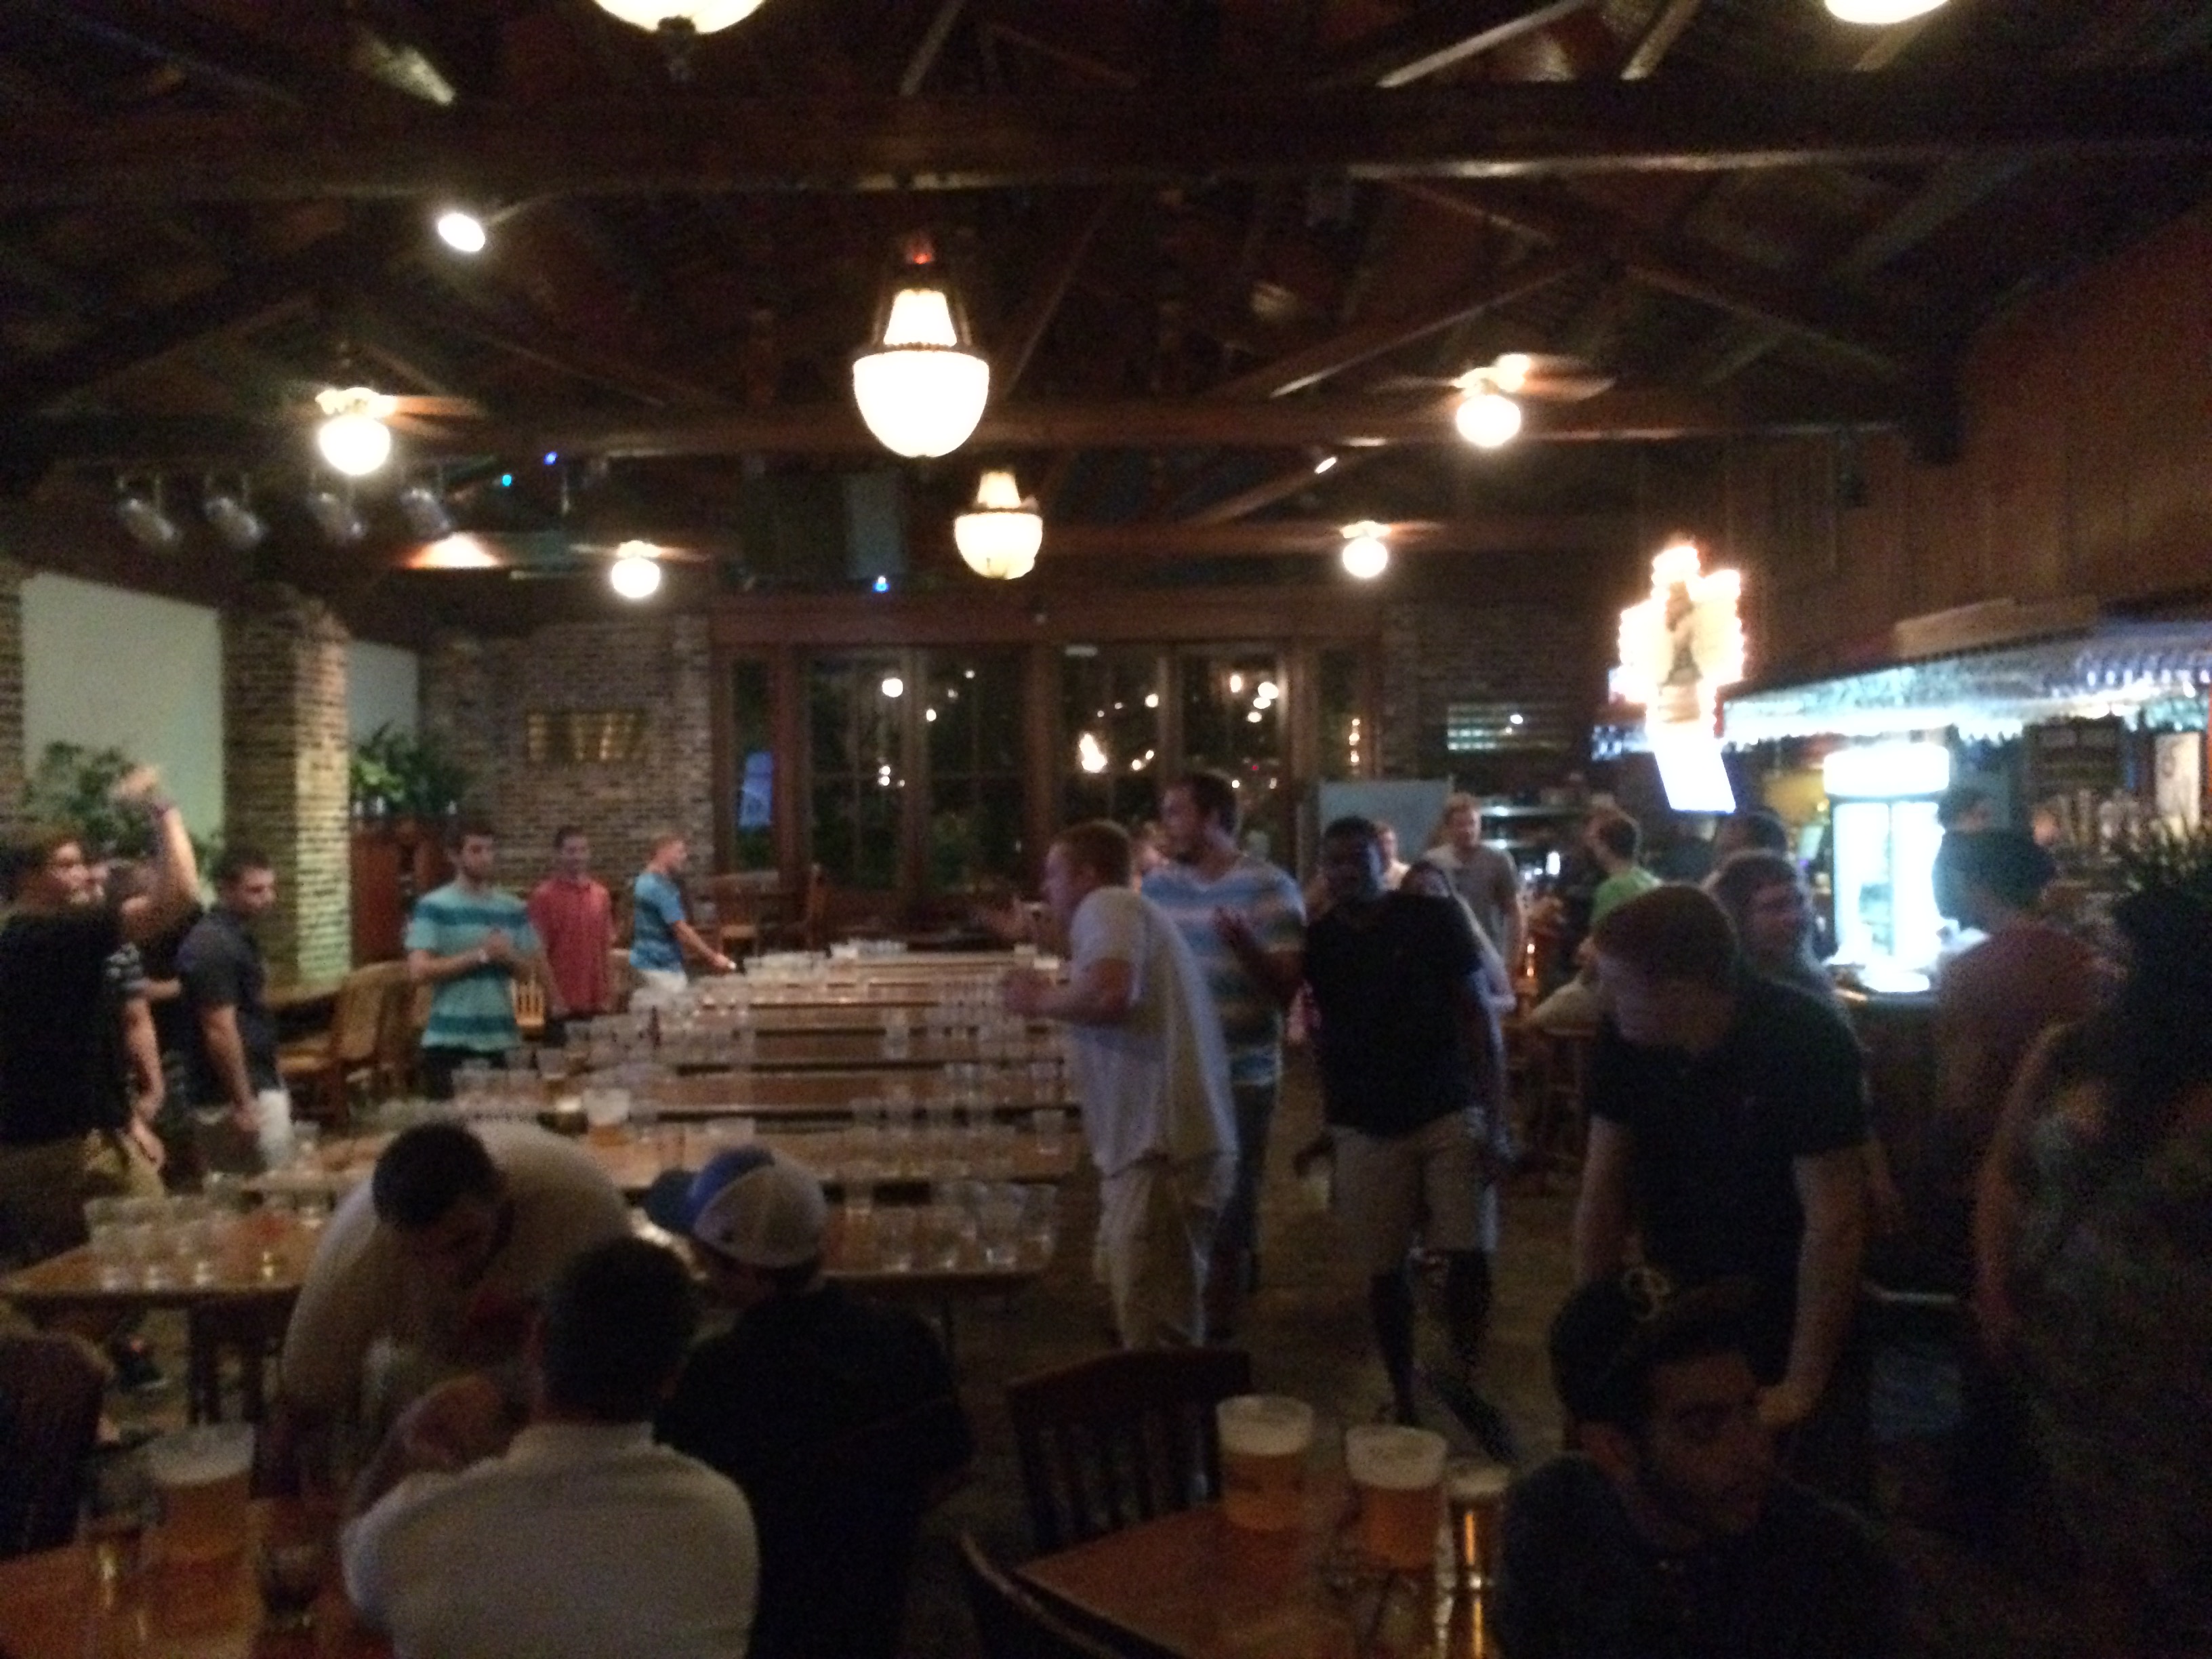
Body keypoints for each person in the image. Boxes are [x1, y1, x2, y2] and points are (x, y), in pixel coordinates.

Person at [1971, 886, 2212, 1650]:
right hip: (2064, 1341)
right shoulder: (2066, 1052)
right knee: (2092, 1541)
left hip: (2182, 1359)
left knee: (2177, 1542)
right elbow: (2002, 1172)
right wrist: (1993, 1287)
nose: (2095, 967)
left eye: (2115, 955)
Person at [342, 1237, 758, 1659]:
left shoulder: (419, 1523)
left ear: (537, 1339)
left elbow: (354, 1570)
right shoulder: (721, 1517)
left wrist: (400, 1438)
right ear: (673, 1378)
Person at [650, 1149, 972, 1659]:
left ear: (746, 1270)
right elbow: (952, 1464)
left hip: (756, 1620)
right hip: (876, 1609)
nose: (699, 1266)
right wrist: (874, 1522)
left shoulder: (714, 1375)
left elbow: (679, 1517)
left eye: (703, 1256)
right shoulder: (906, 1336)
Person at [1573, 887, 1868, 1435]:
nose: (1605, 1001)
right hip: (1676, 1293)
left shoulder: (1804, 1038)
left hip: (1786, 1295)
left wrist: (1803, 1384)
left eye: (1617, 985)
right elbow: (1603, 1190)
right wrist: (1594, 1339)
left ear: (1679, 992)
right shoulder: (1626, 1038)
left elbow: (1834, 1224)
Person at [1491, 1271, 1899, 1659]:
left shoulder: (1828, 1565)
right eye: (1705, 1428)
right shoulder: (1554, 1522)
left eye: (1751, 1410)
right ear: (1614, 1449)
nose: (1756, 1452)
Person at [274, 1122, 631, 1481]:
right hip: (427, 1369)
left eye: (463, 1241)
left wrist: (506, 1389)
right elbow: (300, 1404)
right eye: (420, 1254)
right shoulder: (359, 1259)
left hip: (563, 1379)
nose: (449, 1269)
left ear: (501, 1192)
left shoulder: (581, 1208)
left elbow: (620, 1359)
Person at [1004, 821, 1236, 1347]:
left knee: (1157, 1336)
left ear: (1088, 875)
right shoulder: (1119, 913)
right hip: (1153, 1152)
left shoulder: (1108, 903)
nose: (1044, 888)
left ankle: (1171, 1404)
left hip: (1161, 1153)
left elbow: (1111, 994)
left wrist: (1037, 1000)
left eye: (1053, 875)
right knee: (1136, 1311)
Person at [1304, 817, 1501, 1435]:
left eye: (1355, 858)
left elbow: (1477, 1018)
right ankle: (1404, 1394)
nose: (1344, 872)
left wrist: (1495, 1121)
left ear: (1380, 860)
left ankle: (1464, 1373)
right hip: (1366, 1118)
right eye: (1333, 861)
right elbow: (1324, 1038)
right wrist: (1331, 1123)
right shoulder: (1321, 940)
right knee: (1385, 1268)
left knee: (1470, 1251)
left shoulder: (1432, 918)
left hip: (1446, 1103)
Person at [0, 769, 198, 1268]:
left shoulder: (21, 939)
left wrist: (126, 1117)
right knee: (148, 1260)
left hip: (50, 1139)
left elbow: (68, 1048)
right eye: (66, 866)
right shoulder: (51, 938)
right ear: (25, 877)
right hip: (65, 1148)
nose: (85, 875)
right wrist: (163, 809)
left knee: (75, 1271)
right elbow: (177, 898)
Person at [1141, 771, 1304, 1334]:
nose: (1167, 825)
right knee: (1176, 1203)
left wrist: (1247, 949)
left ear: (1213, 818)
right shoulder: (1157, 888)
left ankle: (1217, 1343)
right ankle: (1180, 1322)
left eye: (1177, 812)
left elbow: (1287, 992)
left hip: (1242, 1074)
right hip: (1174, 1073)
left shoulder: (1269, 886)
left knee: (1231, 1206)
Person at [1923, 832, 2100, 1290]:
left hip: (1993, 1164)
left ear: (1975, 883)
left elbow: (1960, 1091)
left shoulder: (1968, 972)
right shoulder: (2085, 961)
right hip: (2068, 1154)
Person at [1706, 851, 1904, 1243]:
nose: (1796, 917)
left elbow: (1850, 1103)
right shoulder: (1725, 1005)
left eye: (1799, 901)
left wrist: (1875, 1174)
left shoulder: (1812, 986)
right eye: (1775, 907)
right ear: (1736, 919)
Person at [405, 818, 562, 1101]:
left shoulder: (512, 908)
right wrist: (480, 955)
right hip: (450, 1041)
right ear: (454, 856)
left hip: (502, 1038)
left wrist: (508, 958)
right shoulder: (433, 906)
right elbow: (419, 971)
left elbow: (529, 974)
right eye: (476, 850)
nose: (486, 858)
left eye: (491, 850)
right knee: (450, 1126)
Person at [176, 847, 281, 1149]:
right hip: (224, 1094)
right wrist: (242, 1101)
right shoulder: (212, 944)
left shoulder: (236, 936)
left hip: (257, 1076)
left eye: (270, 888)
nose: (268, 898)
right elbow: (219, 1029)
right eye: (256, 890)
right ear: (224, 889)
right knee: (256, 1173)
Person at [527, 825, 614, 1042]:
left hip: (596, 1001)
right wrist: (554, 998)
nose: (578, 857)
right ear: (558, 854)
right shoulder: (544, 897)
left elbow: (605, 948)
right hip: (562, 1005)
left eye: (583, 850)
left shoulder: (601, 895)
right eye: (571, 851)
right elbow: (538, 953)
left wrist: (609, 992)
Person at [1420, 793, 1525, 973]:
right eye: (1460, 824)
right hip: (1445, 956)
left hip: (1488, 955)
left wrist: (1512, 962)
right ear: (1448, 827)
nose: (1467, 830)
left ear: (1480, 824)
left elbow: (1515, 912)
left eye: (1472, 823)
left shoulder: (1497, 860)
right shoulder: (1433, 862)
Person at [630, 832, 733, 996]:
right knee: (679, 1007)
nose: (684, 857)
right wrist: (713, 957)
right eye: (680, 852)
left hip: (650, 964)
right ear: (663, 851)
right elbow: (681, 930)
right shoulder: (658, 887)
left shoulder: (644, 881)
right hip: (660, 969)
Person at [1586, 811, 1661, 928]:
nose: (1590, 846)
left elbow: (1602, 937)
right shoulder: (1651, 881)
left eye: (1594, 841)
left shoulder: (1612, 889)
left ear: (1604, 847)